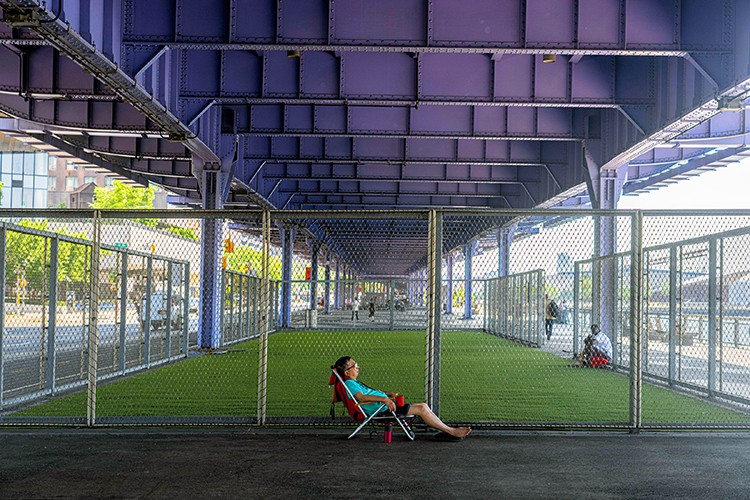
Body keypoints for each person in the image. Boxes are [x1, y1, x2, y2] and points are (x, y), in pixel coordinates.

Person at [333, 356, 472, 439]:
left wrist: (387, 395)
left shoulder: (353, 382)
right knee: (422, 409)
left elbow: (368, 394)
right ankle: (451, 431)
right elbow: (361, 398)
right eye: (354, 365)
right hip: (383, 410)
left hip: (385, 406)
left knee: (423, 406)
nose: (358, 367)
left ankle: (447, 429)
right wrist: (385, 400)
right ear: (346, 372)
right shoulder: (350, 384)